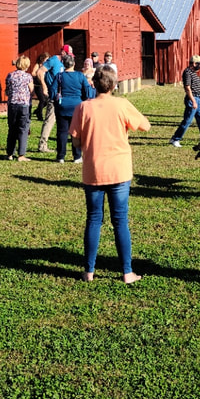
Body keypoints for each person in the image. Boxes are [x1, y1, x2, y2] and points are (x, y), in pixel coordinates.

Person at [70, 66, 151, 284]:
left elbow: (76, 141)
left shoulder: (82, 108)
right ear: (114, 85)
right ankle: (127, 271)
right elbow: (145, 125)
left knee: (94, 219)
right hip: (119, 170)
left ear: (93, 84)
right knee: (120, 221)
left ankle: (89, 271)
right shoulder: (122, 104)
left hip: (94, 171)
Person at [49, 54, 93, 163]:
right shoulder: (80, 76)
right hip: (77, 106)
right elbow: (88, 91)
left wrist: (55, 98)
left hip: (62, 106)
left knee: (62, 132)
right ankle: (77, 156)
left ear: (63, 64)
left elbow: (52, 91)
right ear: (74, 64)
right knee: (76, 132)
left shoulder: (59, 76)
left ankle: (61, 156)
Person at [169, 55, 200, 147]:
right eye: (198, 64)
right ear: (194, 63)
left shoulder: (194, 72)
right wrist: (193, 101)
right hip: (193, 99)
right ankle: (175, 139)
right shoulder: (187, 72)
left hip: (198, 98)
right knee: (187, 121)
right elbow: (187, 87)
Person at [35, 47, 67, 152]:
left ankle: (63, 145)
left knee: (64, 121)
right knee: (50, 120)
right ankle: (42, 145)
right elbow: (39, 72)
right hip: (53, 96)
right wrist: (44, 86)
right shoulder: (53, 60)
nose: (69, 56)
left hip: (63, 96)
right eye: (67, 53)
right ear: (62, 52)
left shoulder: (64, 63)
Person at [5, 55, 34, 161]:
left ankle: (10, 153)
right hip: (24, 104)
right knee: (23, 129)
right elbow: (31, 90)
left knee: (12, 128)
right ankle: (21, 154)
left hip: (12, 104)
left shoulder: (10, 75)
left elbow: (7, 90)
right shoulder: (28, 77)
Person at [32, 53, 50, 122]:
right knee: (42, 100)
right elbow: (33, 73)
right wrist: (39, 74)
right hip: (38, 85)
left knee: (46, 101)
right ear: (42, 59)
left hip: (44, 85)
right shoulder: (38, 65)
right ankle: (39, 114)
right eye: (46, 59)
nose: (47, 60)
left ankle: (37, 110)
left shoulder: (47, 66)